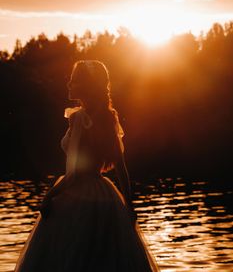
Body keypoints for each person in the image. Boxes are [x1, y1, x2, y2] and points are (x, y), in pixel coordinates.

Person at [14, 59, 160, 271]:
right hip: (106, 195)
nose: (69, 85)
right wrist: (128, 205)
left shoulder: (79, 119)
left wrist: (50, 196)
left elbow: (74, 173)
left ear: (88, 86)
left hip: (75, 196)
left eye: (74, 81)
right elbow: (121, 168)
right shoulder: (108, 117)